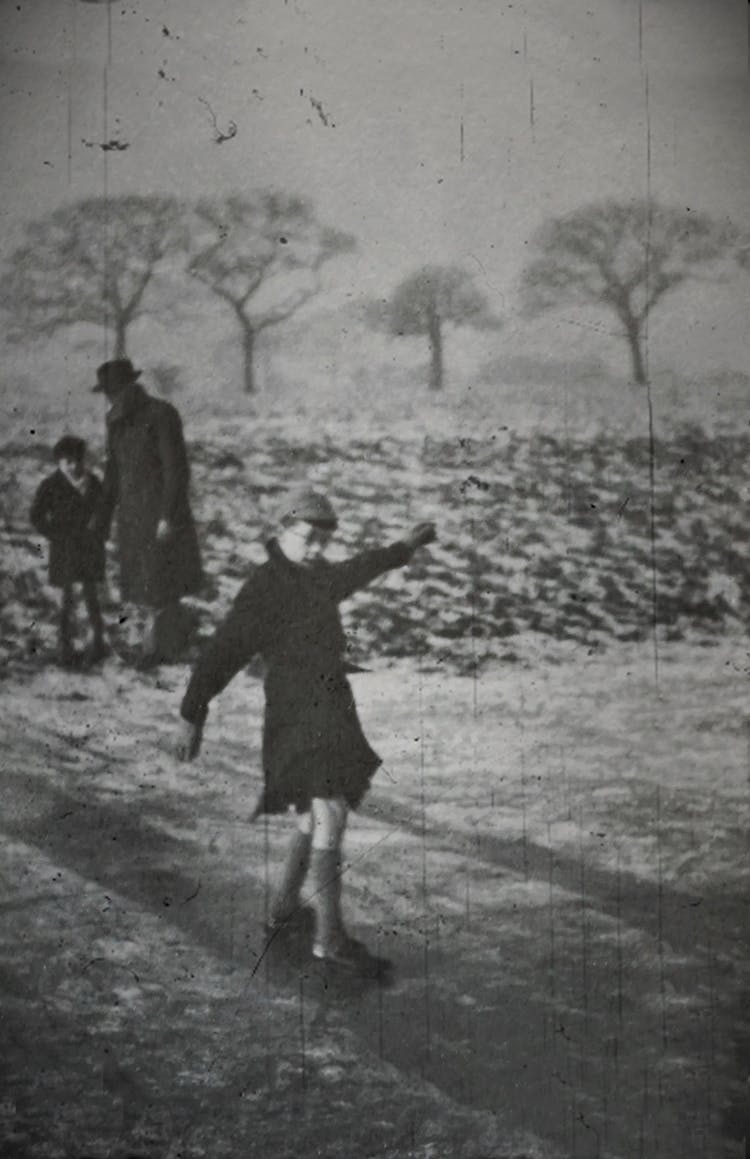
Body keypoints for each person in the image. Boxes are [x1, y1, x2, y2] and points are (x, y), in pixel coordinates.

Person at [175, 486, 436, 971]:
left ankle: (282, 908)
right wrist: (194, 712)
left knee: (312, 814)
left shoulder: (316, 576)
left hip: (331, 704)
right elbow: (222, 653)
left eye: (324, 540)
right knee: (330, 812)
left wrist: (405, 547)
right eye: (308, 538)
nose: (317, 549)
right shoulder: (264, 587)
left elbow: (357, 569)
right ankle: (329, 938)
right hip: (297, 712)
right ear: (282, 531)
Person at [92, 359, 204, 668]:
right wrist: (101, 520)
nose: (113, 397)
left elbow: (176, 470)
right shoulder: (114, 420)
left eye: (116, 390)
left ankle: (156, 649)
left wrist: (168, 515)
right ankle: (169, 643)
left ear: (131, 386)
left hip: (159, 513)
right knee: (144, 584)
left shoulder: (161, 414)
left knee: (160, 582)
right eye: (109, 392)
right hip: (131, 517)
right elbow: (112, 472)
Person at [30, 436, 107, 668]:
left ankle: (97, 644)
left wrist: (99, 532)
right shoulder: (51, 485)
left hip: (90, 549)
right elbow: (36, 516)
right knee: (66, 601)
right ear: (59, 462)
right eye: (68, 462)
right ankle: (65, 648)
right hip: (64, 551)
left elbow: (104, 511)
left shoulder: (93, 483)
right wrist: (55, 534)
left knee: (91, 597)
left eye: (77, 461)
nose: (74, 466)